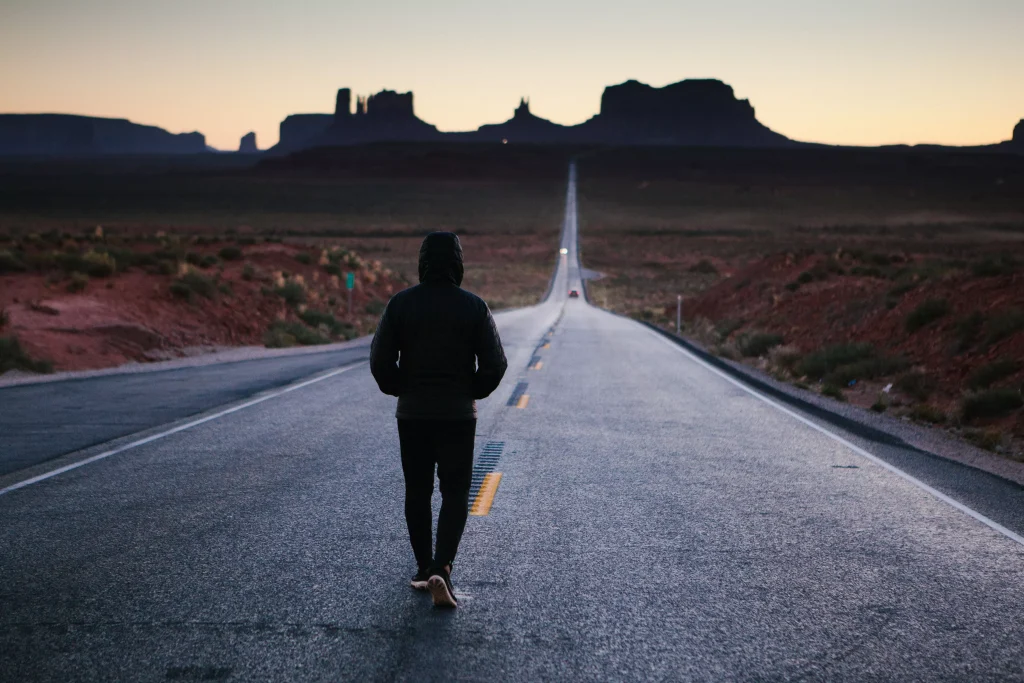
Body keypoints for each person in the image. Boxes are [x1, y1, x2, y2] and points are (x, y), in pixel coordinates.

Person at [370, 232, 507, 608]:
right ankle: (441, 568)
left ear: (423, 262)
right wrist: (471, 392)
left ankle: (421, 568)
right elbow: (496, 363)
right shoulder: (474, 307)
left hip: (412, 414)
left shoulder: (401, 304)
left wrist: (402, 389)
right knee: (456, 492)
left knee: (417, 491)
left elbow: (380, 361)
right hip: (458, 416)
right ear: (458, 263)